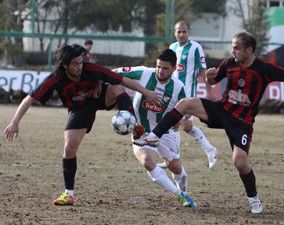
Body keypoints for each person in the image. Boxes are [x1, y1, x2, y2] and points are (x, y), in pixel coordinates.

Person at [133, 31, 284, 214]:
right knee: (185, 104)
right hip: (222, 110)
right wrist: (210, 77)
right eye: (232, 46)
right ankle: (154, 137)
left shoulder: (265, 69)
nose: (232, 50)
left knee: (240, 163)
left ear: (249, 50)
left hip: (242, 122)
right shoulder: (230, 63)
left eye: (236, 47)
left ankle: (254, 200)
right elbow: (212, 80)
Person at [4, 43, 161, 206]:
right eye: (75, 64)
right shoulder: (55, 78)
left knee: (116, 86)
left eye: (81, 62)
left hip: (99, 97)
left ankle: (135, 129)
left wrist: (146, 93)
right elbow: (30, 98)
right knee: (69, 148)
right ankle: (69, 194)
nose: (80, 66)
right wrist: (15, 122)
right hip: (79, 110)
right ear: (65, 65)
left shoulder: (90, 69)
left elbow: (123, 80)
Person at [114, 49, 197, 208]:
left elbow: (184, 109)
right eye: (158, 66)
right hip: (140, 130)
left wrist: (178, 121)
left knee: (175, 166)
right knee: (147, 161)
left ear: (174, 69)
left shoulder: (178, 88)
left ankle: (182, 185)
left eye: (165, 68)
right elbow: (115, 73)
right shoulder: (144, 73)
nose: (160, 71)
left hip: (163, 132)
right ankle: (180, 195)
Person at [167, 21, 218, 170]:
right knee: (186, 126)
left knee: (175, 124)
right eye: (178, 32)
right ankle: (210, 149)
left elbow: (203, 71)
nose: (181, 34)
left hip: (187, 93)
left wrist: (209, 92)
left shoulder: (195, 47)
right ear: (174, 33)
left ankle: (172, 158)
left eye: (184, 31)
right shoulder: (172, 47)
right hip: (173, 92)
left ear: (188, 32)